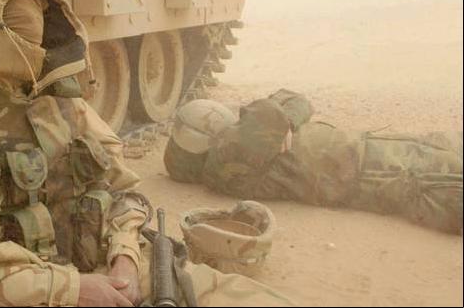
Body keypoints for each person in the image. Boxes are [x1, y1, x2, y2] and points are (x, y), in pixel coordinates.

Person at [0, 0, 293, 307]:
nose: (33, 36)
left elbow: (123, 191)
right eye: (16, 25)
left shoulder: (61, 101)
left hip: (100, 273)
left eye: (35, 20)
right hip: (19, 293)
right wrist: (72, 290)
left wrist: (125, 257)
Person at [165, 91, 463, 235]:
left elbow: (296, 100)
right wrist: (285, 119)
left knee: (444, 147)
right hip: (378, 174)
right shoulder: (226, 164)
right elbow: (279, 106)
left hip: (372, 151)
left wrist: (288, 121)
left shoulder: (243, 142)